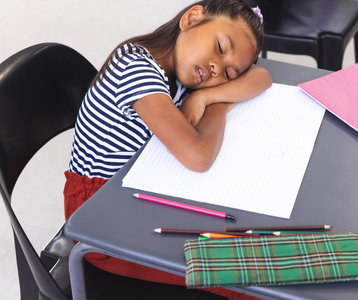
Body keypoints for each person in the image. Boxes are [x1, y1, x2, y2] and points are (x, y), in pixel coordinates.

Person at [64, 0, 271, 299]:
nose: (216, 68)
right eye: (220, 47)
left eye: (229, 73)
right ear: (192, 17)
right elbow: (198, 156)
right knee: (248, 280)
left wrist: (204, 98)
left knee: (251, 236)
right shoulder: (136, 69)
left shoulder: (184, 67)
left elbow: (262, 77)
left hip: (143, 191)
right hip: (99, 220)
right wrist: (219, 102)